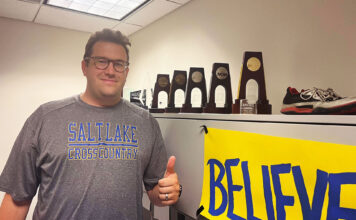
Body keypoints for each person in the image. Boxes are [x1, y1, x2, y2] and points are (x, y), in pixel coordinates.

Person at [0, 29, 181, 220]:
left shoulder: (146, 123)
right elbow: (17, 198)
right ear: (84, 67)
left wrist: (167, 192)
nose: (110, 71)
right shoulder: (45, 118)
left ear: (126, 72)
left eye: (119, 64)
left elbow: (155, 192)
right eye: (101, 61)